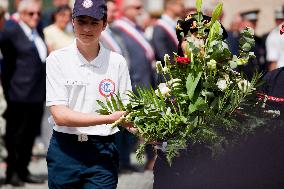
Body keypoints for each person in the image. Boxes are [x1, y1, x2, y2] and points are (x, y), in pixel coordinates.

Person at [46, 0, 132, 188]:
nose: (87, 28)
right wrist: (109, 118)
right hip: (65, 150)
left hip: (102, 151)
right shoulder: (57, 60)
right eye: (82, 21)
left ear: (104, 24)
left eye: (94, 22)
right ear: (73, 22)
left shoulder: (117, 62)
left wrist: (150, 130)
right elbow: (60, 115)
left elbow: (127, 111)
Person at [0, 0, 47, 186]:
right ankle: (12, 173)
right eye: (30, 14)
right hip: (18, 94)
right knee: (15, 137)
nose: (35, 17)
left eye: (38, 14)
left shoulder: (37, 29)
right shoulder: (11, 29)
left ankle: (24, 170)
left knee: (29, 136)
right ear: (21, 14)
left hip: (37, 93)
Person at [112, 0, 156, 172]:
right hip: (131, 82)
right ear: (125, 9)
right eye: (136, 8)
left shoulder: (136, 27)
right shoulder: (118, 28)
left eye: (141, 7)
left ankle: (129, 161)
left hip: (145, 82)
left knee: (140, 126)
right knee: (125, 127)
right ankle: (122, 161)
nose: (140, 10)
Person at [152, 0, 185, 65]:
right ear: (170, 6)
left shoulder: (174, 25)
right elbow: (163, 55)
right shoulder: (160, 27)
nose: (183, 8)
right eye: (181, 5)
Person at [238, 10, 267, 80]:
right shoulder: (236, 40)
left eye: (255, 22)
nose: (253, 24)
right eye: (250, 22)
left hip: (258, 83)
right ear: (242, 22)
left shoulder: (259, 40)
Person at [265, 6, 284, 71]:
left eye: (281, 20)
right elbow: (273, 61)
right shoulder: (274, 35)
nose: (280, 22)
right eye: (278, 20)